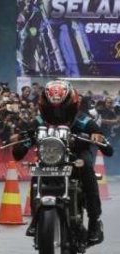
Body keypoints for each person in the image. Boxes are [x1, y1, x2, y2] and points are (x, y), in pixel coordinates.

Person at [12, 80, 112, 245]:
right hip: (50, 156)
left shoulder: (81, 119)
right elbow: (21, 144)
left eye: (61, 109)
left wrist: (97, 136)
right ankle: (36, 218)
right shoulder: (38, 122)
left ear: (71, 105)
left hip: (77, 155)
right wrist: (20, 140)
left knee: (87, 167)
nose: (57, 114)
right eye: (52, 109)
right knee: (37, 170)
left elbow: (99, 133)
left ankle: (94, 221)